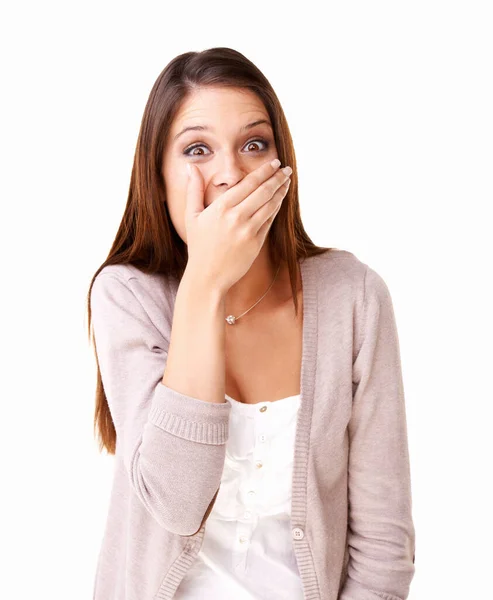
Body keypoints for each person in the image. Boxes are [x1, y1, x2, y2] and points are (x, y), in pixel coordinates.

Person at [87, 47, 416, 600]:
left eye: (253, 144)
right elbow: (176, 502)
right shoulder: (127, 295)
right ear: (158, 175)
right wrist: (205, 284)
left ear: (281, 166)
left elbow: (384, 544)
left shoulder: (354, 297)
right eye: (197, 149)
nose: (230, 173)